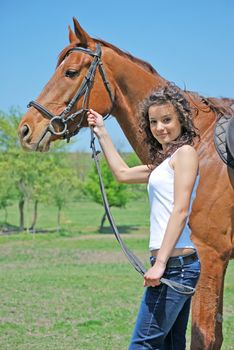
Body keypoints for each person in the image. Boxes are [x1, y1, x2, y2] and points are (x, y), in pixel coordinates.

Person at [87, 83, 201, 350]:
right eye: (153, 122)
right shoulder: (165, 162)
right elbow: (123, 174)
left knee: (142, 345)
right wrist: (102, 132)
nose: (160, 127)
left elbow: (181, 209)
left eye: (167, 120)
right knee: (170, 345)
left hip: (175, 266)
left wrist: (160, 263)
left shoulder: (185, 154)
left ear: (181, 120)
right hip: (176, 265)